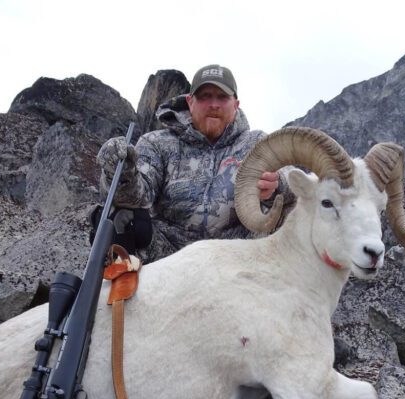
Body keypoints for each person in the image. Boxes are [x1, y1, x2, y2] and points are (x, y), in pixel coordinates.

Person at [95, 64, 291, 261]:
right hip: (168, 257)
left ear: (236, 104)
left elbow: (297, 187)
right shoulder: (156, 142)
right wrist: (122, 173)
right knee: (121, 217)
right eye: (205, 96)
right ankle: (118, 287)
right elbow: (137, 197)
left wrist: (277, 185)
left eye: (222, 97)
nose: (214, 104)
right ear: (190, 102)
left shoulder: (257, 144)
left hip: (237, 255)